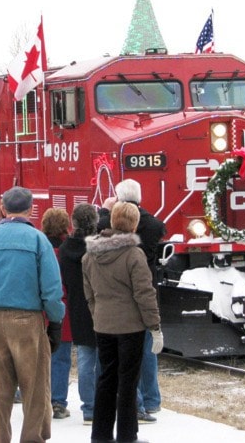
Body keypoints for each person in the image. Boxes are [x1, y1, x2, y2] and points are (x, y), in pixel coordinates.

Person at [0, 186, 65, 443]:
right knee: (34, 387)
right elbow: (52, 289)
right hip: (27, 320)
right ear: (31, 209)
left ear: (2, 209)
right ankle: (32, 438)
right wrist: (54, 318)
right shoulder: (38, 240)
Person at [83, 201, 162, 443]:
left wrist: (99, 315)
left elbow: (89, 292)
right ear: (134, 224)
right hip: (130, 328)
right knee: (128, 382)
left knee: (106, 379)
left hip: (103, 326)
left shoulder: (90, 254)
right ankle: (128, 436)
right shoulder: (133, 254)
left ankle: (100, 435)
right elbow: (144, 293)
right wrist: (155, 327)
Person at [99, 179, 166, 422]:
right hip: (146, 289)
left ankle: (136, 404)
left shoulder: (108, 223)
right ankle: (152, 399)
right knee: (147, 349)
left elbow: (100, 226)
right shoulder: (155, 225)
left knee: (127, 357)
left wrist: (105, 210)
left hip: (120, 296)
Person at [58, 203, 100, 425]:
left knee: (85, 359)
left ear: (73, 223)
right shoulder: (99, 247)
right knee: (105, 359)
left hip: (77, 306)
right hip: (101, 306)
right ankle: (104, 404)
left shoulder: (65, 249)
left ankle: (89, 408)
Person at [40, 207, 73, 421]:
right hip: (63, 309)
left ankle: (38, 400)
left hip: (38, 309)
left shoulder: (38, 247)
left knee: (37, 358)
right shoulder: (70, 250)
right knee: (61, 357)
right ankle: (58, 402)